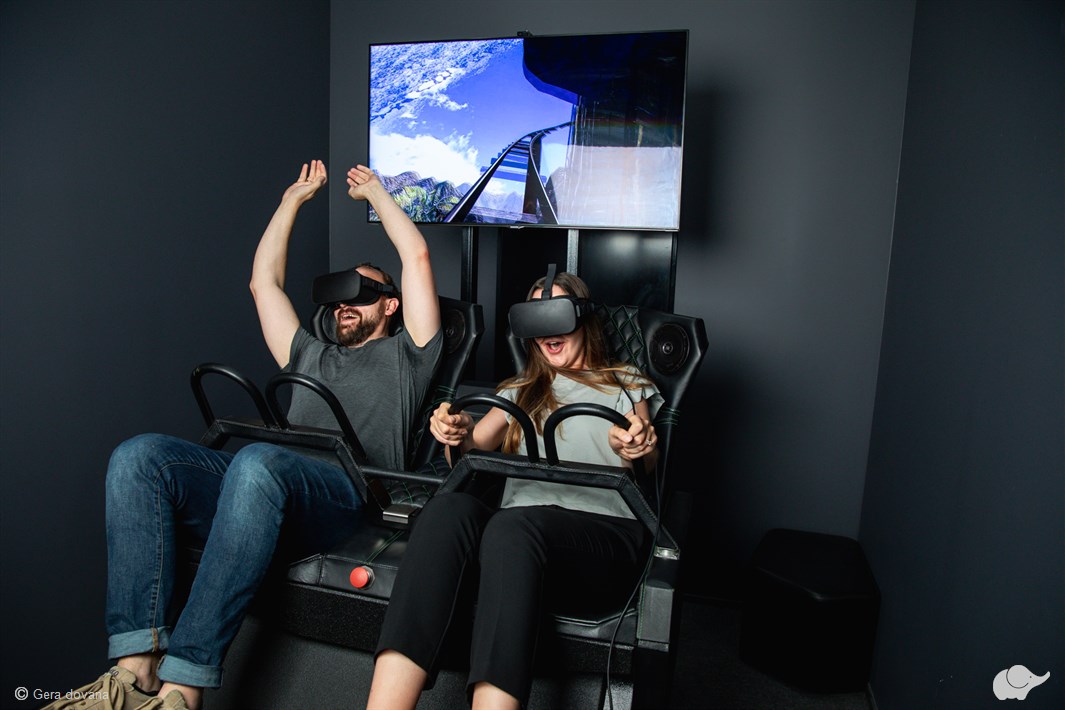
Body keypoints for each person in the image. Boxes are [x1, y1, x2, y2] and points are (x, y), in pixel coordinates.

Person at [46, 162, 443, 710]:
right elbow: (263, 284)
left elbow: (416, 256)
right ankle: (135, 674)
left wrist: (376, 193)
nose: (343, 304)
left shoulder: (410, 357)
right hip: (261, 485)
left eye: (360, 293)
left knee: (257, 461)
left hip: (343, 494)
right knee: (140, 456)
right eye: (336, 296)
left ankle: (182, 689)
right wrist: (291, 201)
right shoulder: (307, 352)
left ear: (391, 304)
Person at [366, 270, 662, 710]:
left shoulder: (625, 381)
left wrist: (634, 445)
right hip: (517, 546)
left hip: (602, 538)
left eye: (556, 314)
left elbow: (645, 452)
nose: (546, 331)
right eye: (534, 319)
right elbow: (471, 449)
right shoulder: (520, 390)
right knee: (445, 510)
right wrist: (454, 431)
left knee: (511, 526)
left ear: (583, 317)